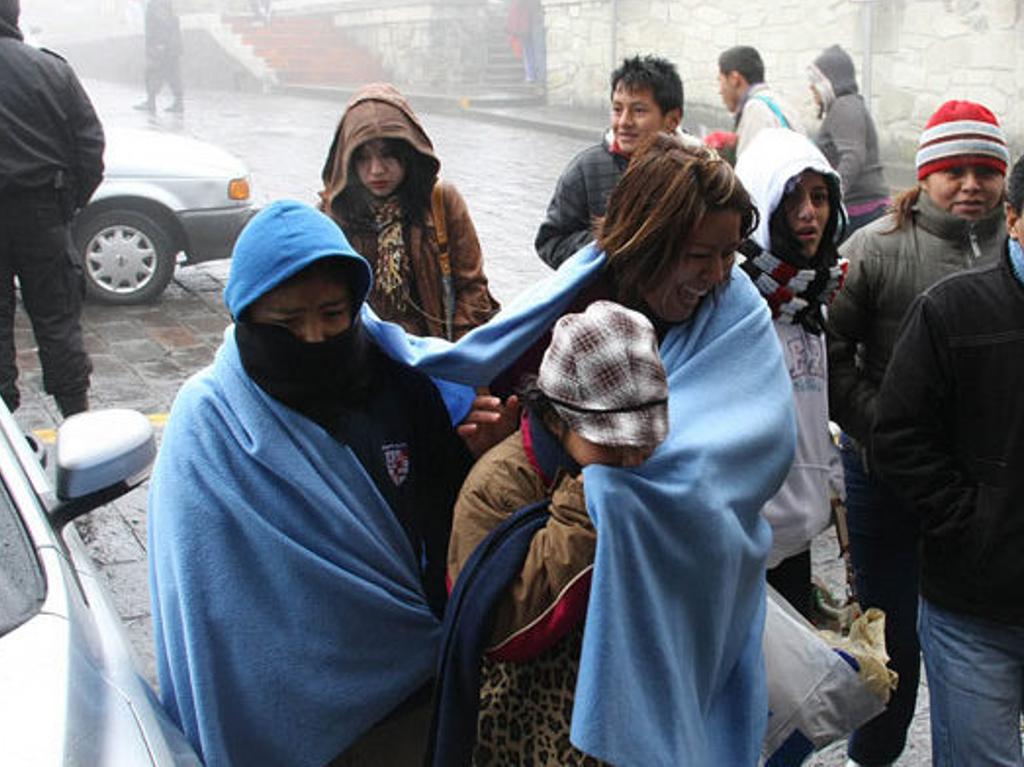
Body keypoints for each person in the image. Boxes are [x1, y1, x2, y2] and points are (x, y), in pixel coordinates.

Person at [403, 134, 796, 764]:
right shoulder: (575, 320)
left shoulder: (734, 311)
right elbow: (496, 615)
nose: (719, 275)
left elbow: (760, 444)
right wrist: (599, 494)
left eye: (730, 253)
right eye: (700, 255)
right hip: (544, 706)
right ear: (648, 243)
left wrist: (625, 487)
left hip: (684, 609)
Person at [148, 200, 484, 767]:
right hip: (284, 725)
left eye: (333, 315)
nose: (313, 337)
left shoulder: (399, 387)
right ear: (246, 315)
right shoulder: (207, 425)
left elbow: (438, 514)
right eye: (286, 323)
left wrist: (470, 453)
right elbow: (208, 606)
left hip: (412, 697)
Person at [826, 99, 1010, 767]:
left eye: (985, 171)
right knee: (893, 635)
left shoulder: (1011, 250)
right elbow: (831, 347)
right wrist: (883, 427)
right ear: (926, 173)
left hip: (986, 485)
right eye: (953, 169)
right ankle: (871, 753)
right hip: (885, 480)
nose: (970, 185)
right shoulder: (875, 248)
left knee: (980, 625)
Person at [446, 300, 670, 765]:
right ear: (560, 417)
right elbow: (500, 627)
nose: (631, 460)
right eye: (613, 444)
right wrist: (581, 510)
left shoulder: (645, 469)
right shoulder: (496, 488)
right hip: (531, 730)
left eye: (643, 444)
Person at [871, 153, 1024, 767]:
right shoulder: (951, 311)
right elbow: (899, 438)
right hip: (975, 605)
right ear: (1013, 218)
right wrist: (973, 524)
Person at [735, 128, 847, 620]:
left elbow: (814, 407)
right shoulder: (739, 303)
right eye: (791, 198)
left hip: (799, 532)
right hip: (749, 540)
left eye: (819, 197)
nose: (809, 213)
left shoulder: (812, 296)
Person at [319, 83, 500, 340]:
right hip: (364, 356)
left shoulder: (441, 202)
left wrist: (454, 357)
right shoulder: (332, 217)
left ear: (409, 154)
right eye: (363, 158)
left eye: (388, 155)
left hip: (433, 352)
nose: (377, 170)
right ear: (347, 161)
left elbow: (472, 288)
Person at [0, 0, 103, 418]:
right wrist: (69, 202)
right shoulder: (50, 69)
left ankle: (5, 426)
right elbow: (90, 145)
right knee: (58, 320)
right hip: (42, 212)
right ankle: (76, 416)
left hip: (39, 209)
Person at [534, 54, 688, 269]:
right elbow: (551, 241)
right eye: (617, 109)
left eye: (639, 110)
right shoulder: (586, 170)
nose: (624, 122)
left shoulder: (694, 170)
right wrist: (607, 245)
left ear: (672, 119)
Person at [808, 45, 890, 235]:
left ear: (829, 82)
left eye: (815, 81)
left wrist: (830, 197)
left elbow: (853, 157)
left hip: (861, 211)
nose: (811, 88)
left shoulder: (844, 107)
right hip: (862, 209)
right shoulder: (846, 106)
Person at [718, 45, 805, 158]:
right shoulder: (780, 103)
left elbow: (750, 170)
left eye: (720, 80)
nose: (720, 90)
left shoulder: (756, 110)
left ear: (735, 79)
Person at [133, 0, 183, 113]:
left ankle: (151, 102)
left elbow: (163, 22)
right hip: (170, 47)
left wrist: (160, 43)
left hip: (162, 48)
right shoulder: (165, 3)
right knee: (172, 74)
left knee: (153, 73)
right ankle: (177, 102)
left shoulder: (156, 4)